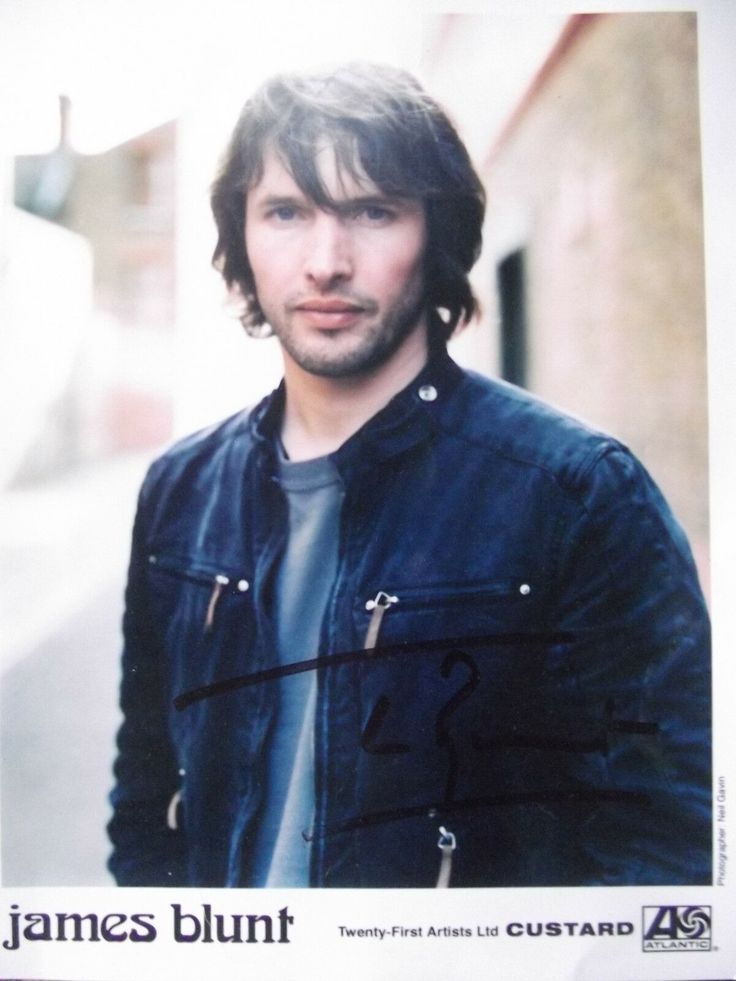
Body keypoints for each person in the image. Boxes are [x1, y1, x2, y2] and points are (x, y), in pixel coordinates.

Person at [107, 63, 711, 889]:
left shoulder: (577, 493)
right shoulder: (181, 489)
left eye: (373, 210)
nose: (326, 261)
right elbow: (146, 791)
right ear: (241, 237)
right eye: (286, 212)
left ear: (436, 235)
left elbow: (666, 837)